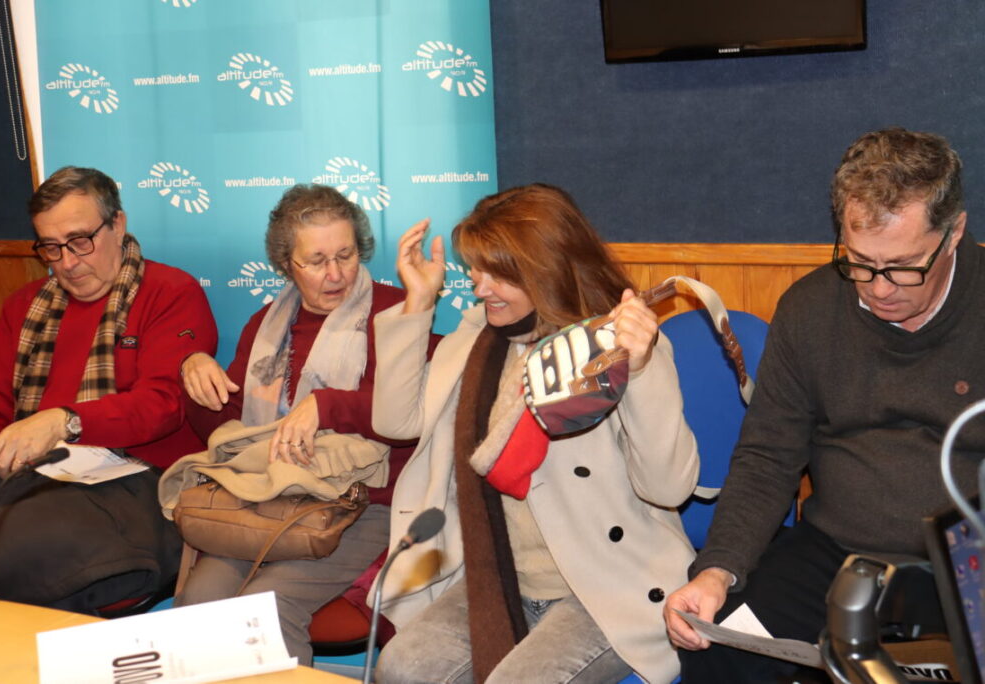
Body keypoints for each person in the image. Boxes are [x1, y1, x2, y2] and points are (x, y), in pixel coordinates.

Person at [663, 128, 985, 683]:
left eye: (904, 266)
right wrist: (717, 570)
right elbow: (768, 458)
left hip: (966, 568)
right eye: (859, 262)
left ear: (954, 233)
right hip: (836, 557)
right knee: (720, 650)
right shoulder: (811, 309)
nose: (879, 289)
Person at [371, 183, 701, 684]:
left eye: (498, 275)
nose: (480, 288)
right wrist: (418, 301)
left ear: (546, 271)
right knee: (402, 668)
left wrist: (640, 371)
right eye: (476, 270)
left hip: (604, 583)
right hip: (502, 577)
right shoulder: (477, 342)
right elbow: (395, 423)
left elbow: (669, 488)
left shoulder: (613, 348)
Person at [174, 183, 419, 665]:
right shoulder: (265, 325)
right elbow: (230, 431)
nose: (336, 274)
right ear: (286, 263)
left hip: (363, 503)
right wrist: (197, 379)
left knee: (264, 610)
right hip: (270, 494)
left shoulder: (398, 313)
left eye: (346, 255)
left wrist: (325, 406)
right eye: (317, 261)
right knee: (198, 604)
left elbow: (411, 418)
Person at [0, 166, 218, 612]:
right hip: (34, 478)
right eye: (51, 247)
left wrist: (65, 422)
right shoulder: (24, 306)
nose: (67, 262)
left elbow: (162, 405)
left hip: (137, 478)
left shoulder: (171, 292)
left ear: (117, 224)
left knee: (35, 547)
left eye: (80, 241)